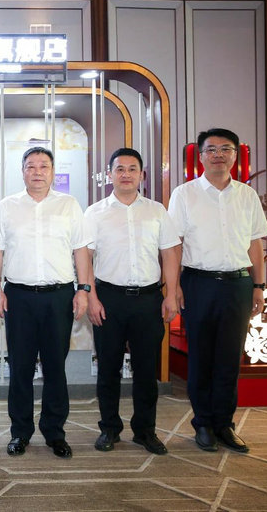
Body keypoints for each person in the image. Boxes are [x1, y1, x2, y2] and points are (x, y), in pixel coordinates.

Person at [168, 128, 267, 453]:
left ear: (235, 155)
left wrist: (258, 286)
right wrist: (174, 286)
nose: (218, 155)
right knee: (201, 356)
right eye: (211, 149)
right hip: (199, 284)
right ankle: (203, 424)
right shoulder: (184, 194)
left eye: (226, 149)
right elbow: (174, 245)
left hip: (239, 284)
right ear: (201, 156)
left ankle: (224, 424)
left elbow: (255, 244)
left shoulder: (247, 195)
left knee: (230, 357)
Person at [0, 146, 91, 459]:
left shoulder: (69, 205)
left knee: (55, 367)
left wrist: (84, 289)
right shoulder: (7, 206)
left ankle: (54, 432)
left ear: (52, 171)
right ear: (22, 171)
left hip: (59, 297)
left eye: (43, 166)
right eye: (31, 166)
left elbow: (81, 250)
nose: (37, 172)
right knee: (20, 367)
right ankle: (20, 432)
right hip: (18, 296)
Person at [84, 148, 181, 455]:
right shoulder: (95, 213)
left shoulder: (156, 211)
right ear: (109, 175)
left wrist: (171, 295)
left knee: (146, 369)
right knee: (108, 368)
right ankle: (109, 429)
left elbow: (170, 254)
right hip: (108, 299)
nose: (126, 174)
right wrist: (91, 297)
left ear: (142, 175)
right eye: (120, 169)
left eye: (132, 169)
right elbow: (85, 257)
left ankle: (145, 430)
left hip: (148, 299)